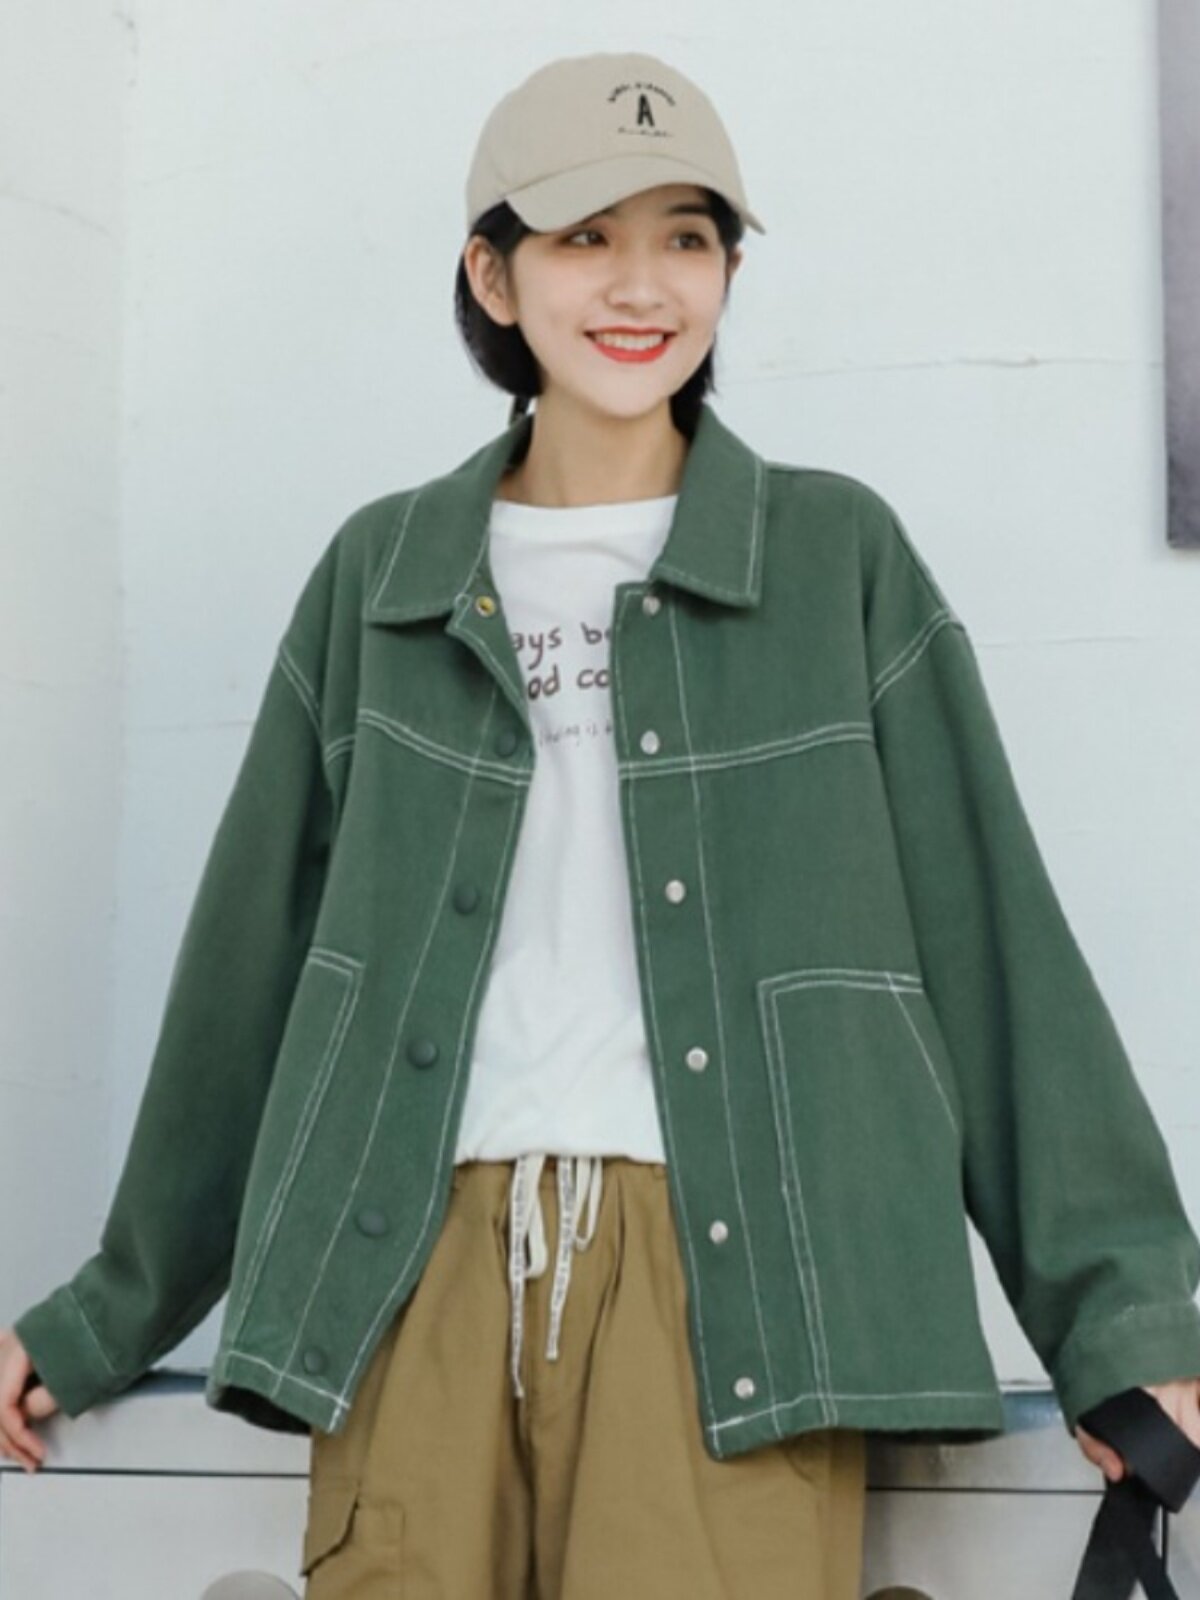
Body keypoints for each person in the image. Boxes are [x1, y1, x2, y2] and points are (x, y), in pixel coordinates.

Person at [3, 46, 1200, 1600]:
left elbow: (995, 951)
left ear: (729, 272)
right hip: (408, 1280)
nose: (642, 285)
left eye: (687, 236)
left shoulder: (834, 559)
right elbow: (250, 985)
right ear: (492, 276)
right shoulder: (383, 577)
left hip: (732, 1296)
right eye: (585, 236)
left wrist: (1127, 1321)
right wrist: (98, 1319)